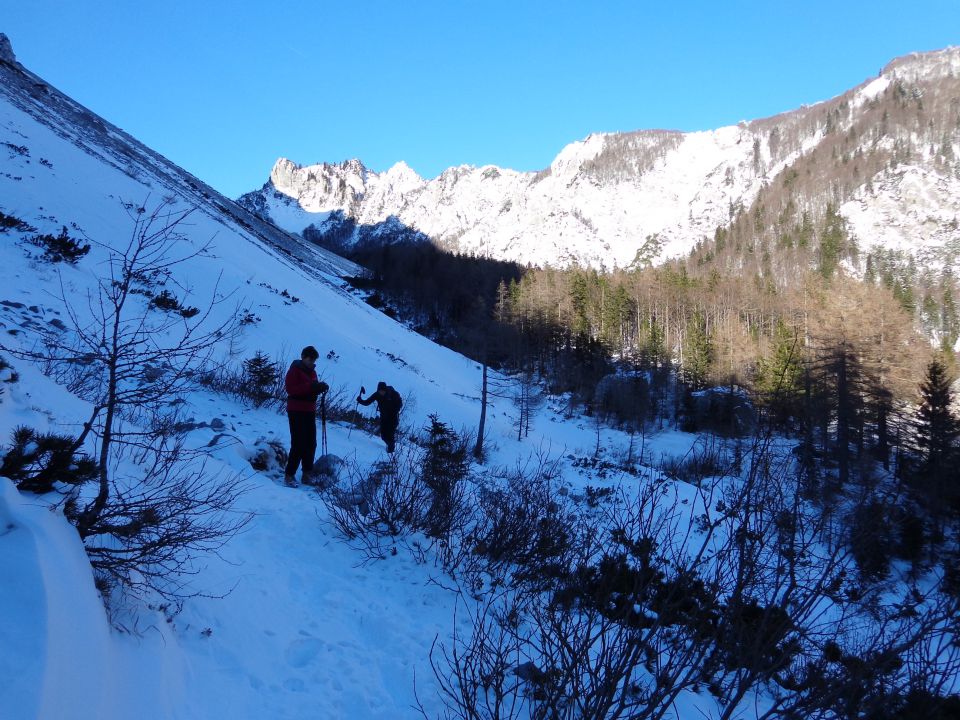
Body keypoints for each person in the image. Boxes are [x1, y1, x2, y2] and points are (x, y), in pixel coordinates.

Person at [284, 345, 329, 487]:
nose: (311, 362)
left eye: (314, 359)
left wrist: (319, 387)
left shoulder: (312, 372)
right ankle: (289, 475)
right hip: (296, 410)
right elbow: (290, 389)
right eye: (310, 359)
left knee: (310, 442)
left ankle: (307, 473)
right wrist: (311, 387)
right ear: (303, 357)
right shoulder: (294, 370)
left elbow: (312, 388)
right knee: (298, 443)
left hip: (309, 410)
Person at [357, 381, 402, 453]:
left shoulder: (393, 394)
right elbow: (368, 402)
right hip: (384, 417)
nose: (381, 392)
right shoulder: (377, 394)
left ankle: (391, 452)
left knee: (390, 434)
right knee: (383, 435)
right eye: (380, 391)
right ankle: (390, 447)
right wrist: (360, 401)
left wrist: (394, 410)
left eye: (383, 391)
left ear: (385, 390)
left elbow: (400, 404)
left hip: (393, 417)